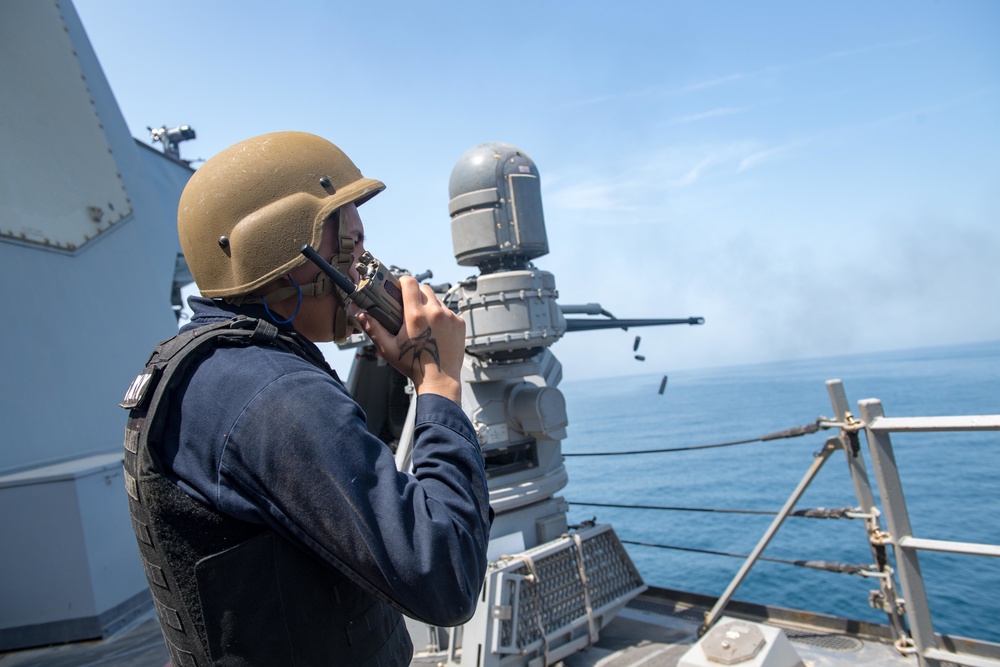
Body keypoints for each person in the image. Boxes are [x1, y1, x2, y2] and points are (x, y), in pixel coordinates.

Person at [120, 131, 493, 666]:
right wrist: (439, 384)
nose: (368, 268)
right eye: (352, 246)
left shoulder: (209, 370)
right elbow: (445, 574)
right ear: (281, 247)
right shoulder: (275, 394)